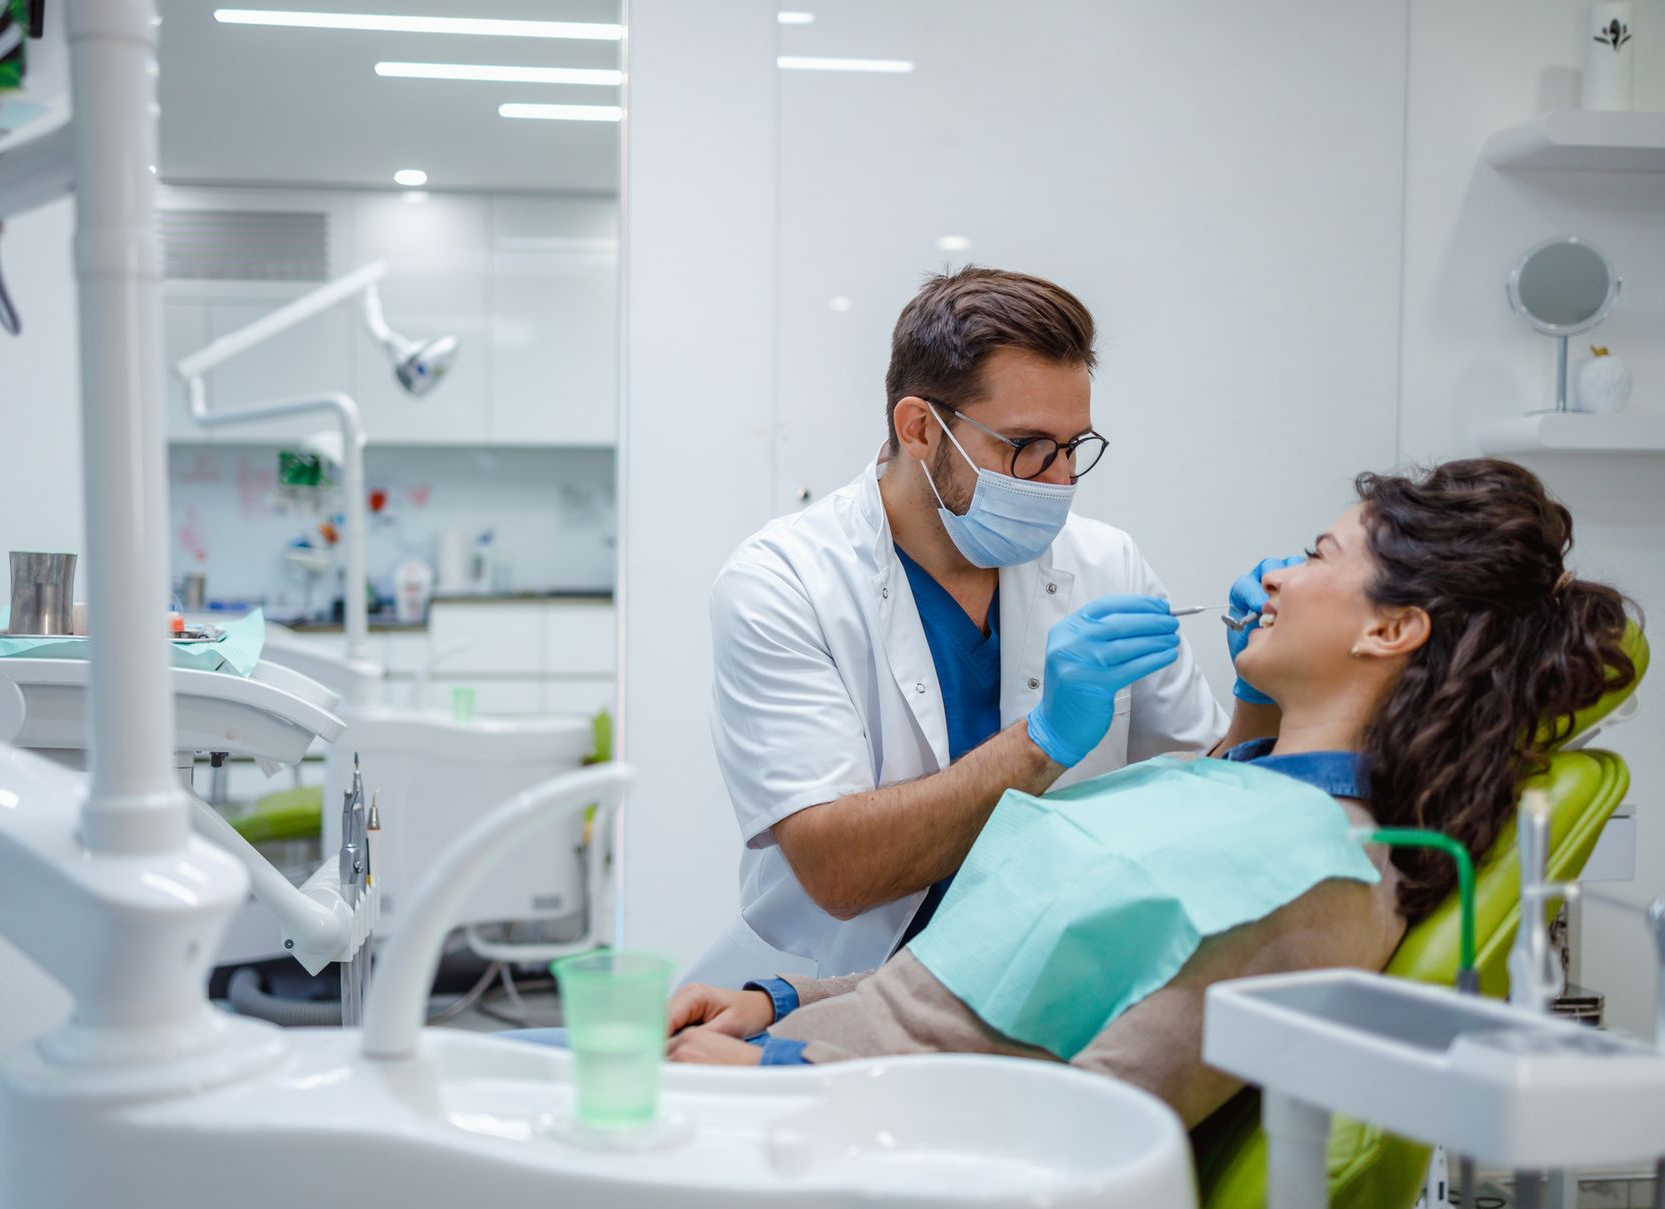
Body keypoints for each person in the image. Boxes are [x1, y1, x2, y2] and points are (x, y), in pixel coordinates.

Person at [665, 459, 1637, 1127]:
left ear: (1389, 632)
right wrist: (779, 999)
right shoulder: (1237, 793)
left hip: (833, 1134)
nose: (1279, 577)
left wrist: (784, 1080)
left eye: (1316, 554)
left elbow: (1085, 1122)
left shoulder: (1303, 874)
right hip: (797, 1054)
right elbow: (985, 980)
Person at [692, 265, 1289, 986]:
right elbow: (838, 871)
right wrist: (1043, 743)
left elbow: (1203, 801)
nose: (1060, 481)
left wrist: (1261, 691)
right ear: (920, 428)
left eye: (1074, 447)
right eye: (1027, 446)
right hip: (828, 992)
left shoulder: (1106, 564)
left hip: (1037, 993)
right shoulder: (782, 582)